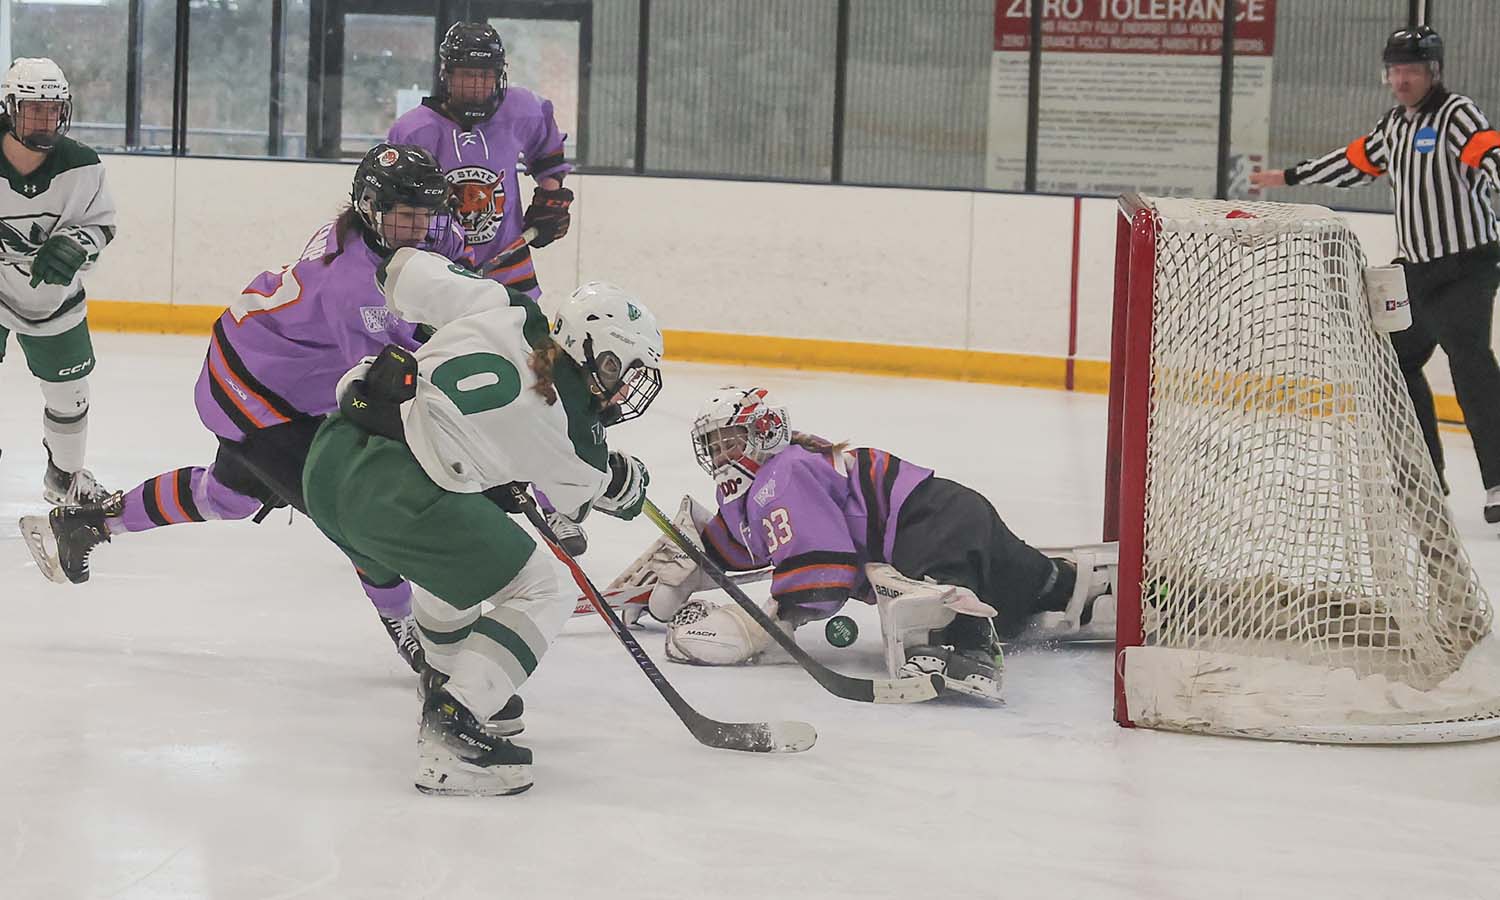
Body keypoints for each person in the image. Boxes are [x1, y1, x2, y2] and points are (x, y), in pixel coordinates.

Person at [19, 143, 467, 671]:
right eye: (404, 216)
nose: (417, 229)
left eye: (425, 215)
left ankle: (87, 523)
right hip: (253, 392)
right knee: (353, 510)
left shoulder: (369, 239)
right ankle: (404, 625)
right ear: (370, 208)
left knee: (228, 496)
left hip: (262, 368)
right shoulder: (354, 286)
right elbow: (379, 389)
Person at [301, 248, 662, 795]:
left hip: (329, 461)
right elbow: (598, 492)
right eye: (618, 368)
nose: (619, 387)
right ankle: (454, 727)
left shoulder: (505, 304)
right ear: (592, 351)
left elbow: (397, 271)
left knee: (463, 553)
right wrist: (623, 482)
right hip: (396, 497)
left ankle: (446, 679)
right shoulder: (577, 440)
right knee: (547, 588)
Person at [611, 386, 1118, 702]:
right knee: (1027, 586)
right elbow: (751, 543)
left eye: (731, 441)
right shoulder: (770, 482)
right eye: (715, 445)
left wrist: (761, 623)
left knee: (935, 608)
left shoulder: (782, 475)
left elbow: (823, 573)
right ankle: (1083, 588)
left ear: (763, 434)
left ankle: (970, 650)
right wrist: (692, 560)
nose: (721, 455)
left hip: (929, 527)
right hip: (955, 512)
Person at [1250, 25, 1500, 522]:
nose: (1402, 79)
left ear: (1433, 72)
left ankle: (1498, 483)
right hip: (1418, 270)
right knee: (1394, 360)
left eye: (1412, 70)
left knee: (1468, 362)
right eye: (1395, 70)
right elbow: (1354, 161)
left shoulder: (1455, 115)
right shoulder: (1395, 126)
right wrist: (1291, 176)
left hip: (1467, 264)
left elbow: (1489, 153)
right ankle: (1424, 472)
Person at [388, 22, 584, 554]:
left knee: (544, 385)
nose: (476, 88)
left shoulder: (522, 109)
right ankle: (445, 502)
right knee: (443, 395)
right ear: (445, 76)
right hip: (444, 287)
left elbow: (548, 156)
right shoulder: (413, 131)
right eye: (465, 77)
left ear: (499, 76)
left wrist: (551, 193)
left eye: (484, 77)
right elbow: (390, 203)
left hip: (511, 274)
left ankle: (554, 501)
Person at [0, 58, 116, 505]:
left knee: (69, 395)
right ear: (11, 109)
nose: (44, 120)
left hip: (52, 300)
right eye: (33, 109)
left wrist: (78, 243)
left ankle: (64, 478)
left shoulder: (83, 166)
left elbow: (102, 224)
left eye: (52, 110)